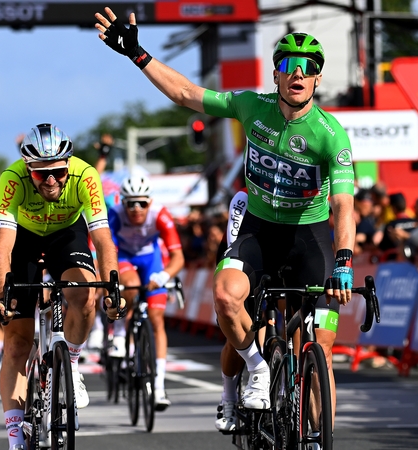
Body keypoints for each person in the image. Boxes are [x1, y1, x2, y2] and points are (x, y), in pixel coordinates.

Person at [94, 9, 356, 432]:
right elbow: (185, 94)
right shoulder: (252, 106)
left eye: (308, 69)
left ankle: (314, 437)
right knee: (226, 298)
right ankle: (252, 370)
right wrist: (137, 54)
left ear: (317, 80)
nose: (298, 74)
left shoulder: (331, 134)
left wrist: (344, 259)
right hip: (257, 227)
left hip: (310, 236)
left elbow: (344, 204)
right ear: (276, 74)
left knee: (319, 352)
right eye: (288, 65)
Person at [0, 123, 120, 450]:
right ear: (28, 170)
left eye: (58, 172)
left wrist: (112, 288)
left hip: (67, 235)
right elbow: (2, 248)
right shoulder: (12, 177)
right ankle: (15, 437)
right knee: (17, 343)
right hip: (25, 239)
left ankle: (72, 361)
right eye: (40, 174)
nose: (51, 180)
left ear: (68, 166)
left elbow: (103, 241)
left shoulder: (85, 175)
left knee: (84, 294)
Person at [107, 175, 185, 410]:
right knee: (129, 284)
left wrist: (162, 277)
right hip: (123, 258)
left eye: (141, 203)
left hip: (151, 261)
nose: (136, 209)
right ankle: (120, 333)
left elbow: (178, 258)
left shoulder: (160, 215)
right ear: (123, 202)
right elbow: (106, 250)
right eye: (131, 203)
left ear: (150, 202)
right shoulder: (115, 214)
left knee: (157, 319)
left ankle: (159, 388)